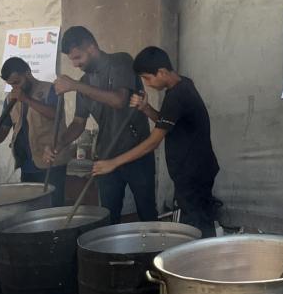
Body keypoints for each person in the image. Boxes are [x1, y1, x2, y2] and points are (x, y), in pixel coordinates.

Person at [93, 46, 220, 238]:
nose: (147, 84)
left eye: (147, 78)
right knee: (201, 223)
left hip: (192, 174)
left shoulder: (177, 96)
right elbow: (167, 121)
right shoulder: (182, 84)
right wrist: (145, 108)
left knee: (195, 229)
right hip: (196, 170)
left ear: (161, 72)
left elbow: (153, 142)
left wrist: (113, 163)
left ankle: (204, 255)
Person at [50, 26, 156, 224]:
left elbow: (119, 100)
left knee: (147, 212)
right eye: (72, 60)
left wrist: (75, 85)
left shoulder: (121, 61)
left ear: (91, 48)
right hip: (106, 155)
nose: (75, 64)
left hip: (137, 153)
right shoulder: (84, 81)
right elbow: (78, 122)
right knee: (108, 216)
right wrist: (60, 143)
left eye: (77, 57)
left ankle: (153, 245)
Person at [0, 58, 69, 205]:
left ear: (28, 73)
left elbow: (55, 114)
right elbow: (5, 128)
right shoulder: (10, 99)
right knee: (32, 207)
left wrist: (26, 100)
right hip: (26, 163)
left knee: (52, 206)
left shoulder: (51, 89)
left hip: (51, 161)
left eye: (17, 82)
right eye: (11, 85)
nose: (15, 87)